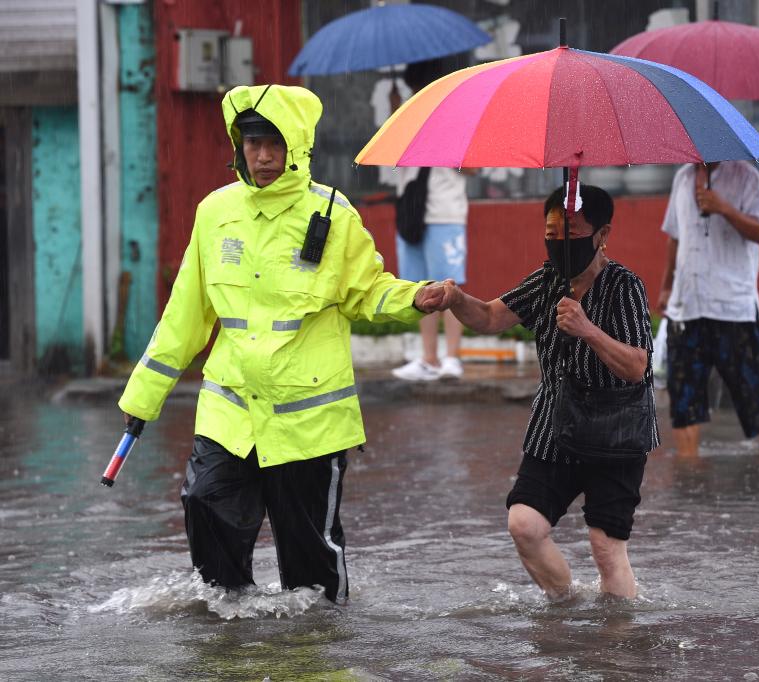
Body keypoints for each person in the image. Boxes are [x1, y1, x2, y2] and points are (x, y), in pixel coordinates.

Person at [116, 84, 452, 602]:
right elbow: (184, 315)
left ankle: (320, 646)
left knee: (311, 565)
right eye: (253, 143)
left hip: (308, 422)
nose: (264, 156)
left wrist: (416, 297)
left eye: (275, 144)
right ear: (238, 147)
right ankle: (230, 628)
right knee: (206, 507)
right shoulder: (215, 212)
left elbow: (367, 290)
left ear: (297, 147)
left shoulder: (334, 216)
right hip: (231, 412)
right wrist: (142, 399)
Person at [444, 184, 657, 599]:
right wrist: (455, 298)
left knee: (605, 547)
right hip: (556, 423)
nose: (561, 243)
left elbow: (637, 366)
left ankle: (618, 643)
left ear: (602, 234)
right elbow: (489, 317)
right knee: (524, 524)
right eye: (552, 232)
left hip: (617, 431)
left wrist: (587, 330)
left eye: (573, 233)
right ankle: (565, 605)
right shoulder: (547, 280)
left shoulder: (624, 286)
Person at [657, 161, 759, 459]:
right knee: (683, 397)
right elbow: (675, 236)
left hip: (732, 307)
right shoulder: (683, 177)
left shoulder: (747, 177)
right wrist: (667, 286)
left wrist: (725, 208)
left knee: (754, 393)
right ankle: (690, 474)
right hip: (687, 305)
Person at [391, 58, 475, 382]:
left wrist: (439, 142)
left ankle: (452, 357)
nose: (418, 94)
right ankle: (428, 358)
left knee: (450, 286)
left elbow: (473, 168)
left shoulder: (455, 119)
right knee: (420, 289)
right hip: (412, 214)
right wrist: (397, 114)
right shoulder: (405, 118)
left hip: (445, 213)